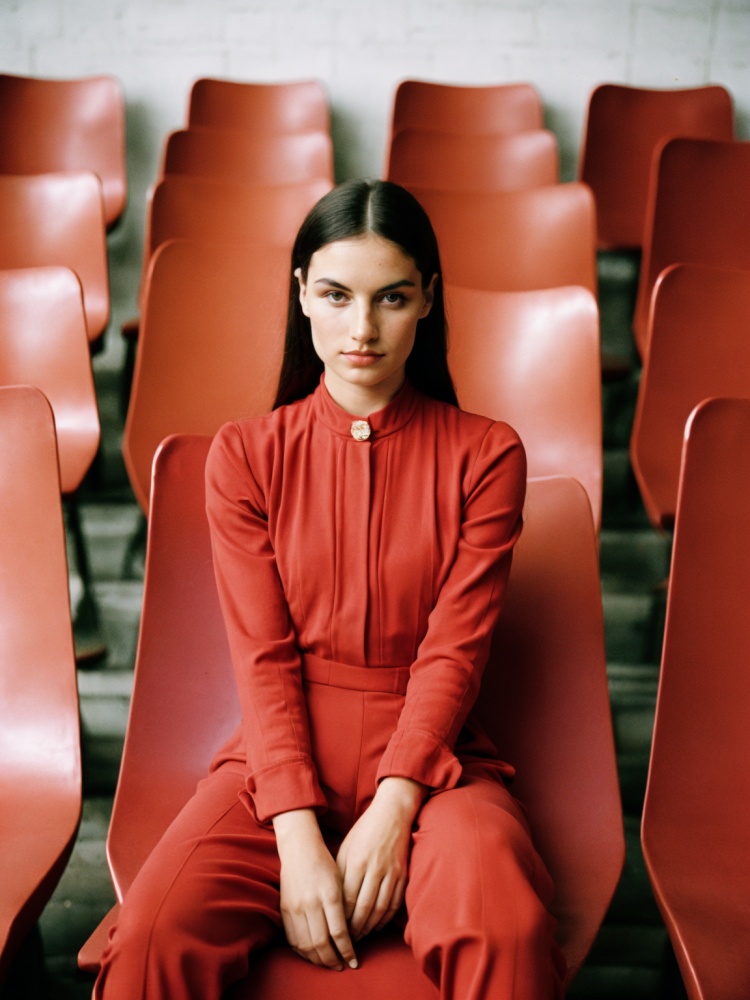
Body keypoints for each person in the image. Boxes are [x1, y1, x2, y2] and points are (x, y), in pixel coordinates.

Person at [93, 179, 566, 999]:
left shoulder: (487, 455)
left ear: (428, 301)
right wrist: (298, 836)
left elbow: (456, 650)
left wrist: (393, 809)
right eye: (337, 295)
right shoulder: (245, 454)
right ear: (301, 292)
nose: (362, 328)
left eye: (391, 297)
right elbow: (262, 657)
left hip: (435, 763)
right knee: (151, 937)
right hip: (275, 761)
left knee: (507, 926)